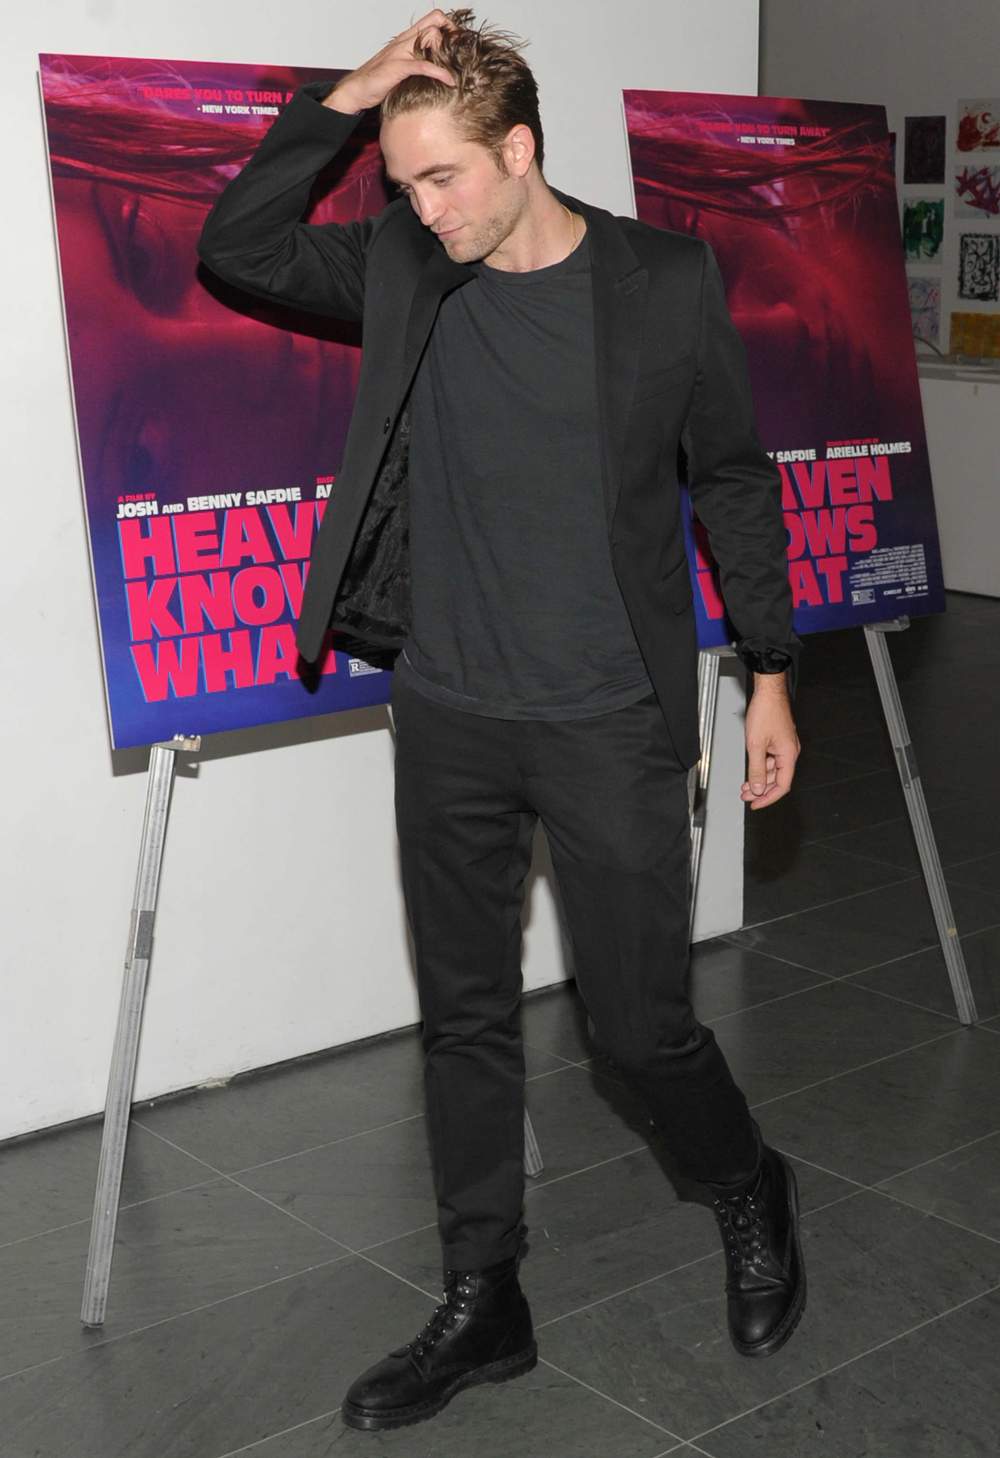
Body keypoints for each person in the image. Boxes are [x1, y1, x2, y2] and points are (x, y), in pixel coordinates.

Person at [198, 9, 804, 1432]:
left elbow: (729, 475)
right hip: (451, 708)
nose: (422, 208)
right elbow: (237, 245)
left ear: (521, 151)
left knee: (638, 1029)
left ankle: (748, 1182)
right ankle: (486, 1297)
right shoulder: (408, 268)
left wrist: (769, 669)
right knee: (464, 1020)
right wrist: (346, 98)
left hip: (609, 716)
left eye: (444, 178)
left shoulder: (662, 280)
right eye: (403, 182)